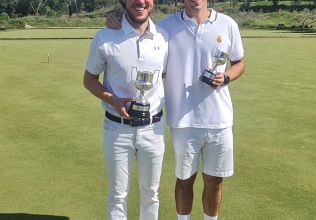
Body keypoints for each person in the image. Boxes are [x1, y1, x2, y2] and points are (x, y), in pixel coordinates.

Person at [107, 0, 245, 218]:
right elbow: (138, 29)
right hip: (182, 119)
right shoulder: (165, 26)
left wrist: (226, 76)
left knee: (215, 181)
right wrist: (115, 16)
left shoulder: (228, 24)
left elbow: (239, 62)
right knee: (184, 180)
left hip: (219, 119)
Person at [83, 0, 168, 219]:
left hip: (153, 128)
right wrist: (113, 100)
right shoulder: (105, 36)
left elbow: (165, 76)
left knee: (151, 193)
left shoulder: (164, 36)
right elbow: (90, 79)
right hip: (117, 129)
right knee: (118, 194)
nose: (140, 1)